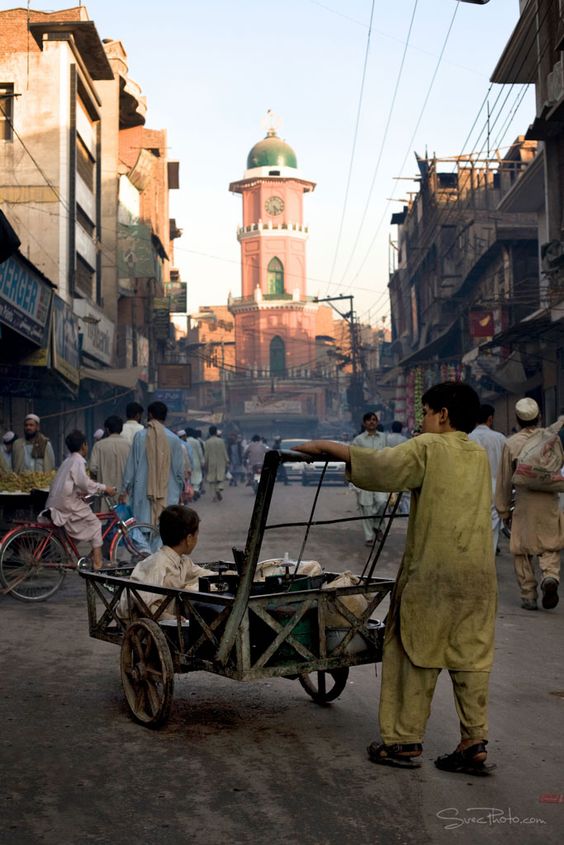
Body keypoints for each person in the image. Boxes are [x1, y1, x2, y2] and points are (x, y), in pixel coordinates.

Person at [295, 382, 497, 775]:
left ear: (442, 414)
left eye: (424, 413)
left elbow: (382, 467)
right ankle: (474, 740)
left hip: (433, 575)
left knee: (413, 650)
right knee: (470, 657)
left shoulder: (428, 447)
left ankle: (403, 741)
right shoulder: (476, 453)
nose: (421, 422)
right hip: (478, 576)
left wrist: (327, 447)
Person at [496, 397, 562, 612]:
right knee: (550, 544)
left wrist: (504, 509)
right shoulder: (552, 439)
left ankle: (528, 593)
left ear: (517, 419)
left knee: (520, 548)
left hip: (524, 502)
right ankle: (550, 576)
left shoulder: (511, 443)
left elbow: (505, 479)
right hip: (549, 500)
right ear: (539, 416)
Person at [117, 505, 215, 620]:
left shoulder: (182, 561)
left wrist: (230, 574)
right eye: (196, 535)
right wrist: (172, 619)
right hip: (144, 624)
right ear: (189, 539)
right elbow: (146, 605)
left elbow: (202, 574)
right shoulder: (158, 564)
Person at [44, 430, 116, 570]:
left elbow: (73, 483)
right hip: (66, 504)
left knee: (79, 527)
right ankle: (97, 562)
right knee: (95, 523)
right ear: (84, 445)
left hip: (57, 501)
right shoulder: (78, 461)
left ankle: (71, 554)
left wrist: (82, 492)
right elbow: (85, 483)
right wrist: (104, 488)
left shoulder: (67, 461)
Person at [122, 401, 185, 525]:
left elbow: (131, 466)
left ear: (150, 415)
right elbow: (179, 472)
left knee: (142, 528)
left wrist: (125, 488)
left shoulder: (140, 437)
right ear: (165, 417)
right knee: (165, 529)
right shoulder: (174, 439)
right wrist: (180, 491)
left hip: (142, 492)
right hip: (168, 492)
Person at [469, 404, 507, 555]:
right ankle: (488, 562)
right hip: (496, 488)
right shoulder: (501, 439)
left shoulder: (468, 438)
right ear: (490, 419)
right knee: (492, 529)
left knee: (474, 527)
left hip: (473, 487)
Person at [352, 412, 388, 546]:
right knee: (366, 507)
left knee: (382, 502)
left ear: (377, 422)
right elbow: (353, 459)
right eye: (368, 420)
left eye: (374, 420)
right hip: (364, 478)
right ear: (364, 423)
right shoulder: (358, 440)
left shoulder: (384, 438)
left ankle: (377, 525)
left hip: (381, 478)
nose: (371, 422)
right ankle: (369, 538)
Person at [89, 416, 131, 505]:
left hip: (104, 495)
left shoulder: (98, 446)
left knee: (104, 517)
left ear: (107, 429)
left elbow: (92, 468)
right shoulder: (129, 445)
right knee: (123, 518)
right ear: (121, 429)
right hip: (123, 496)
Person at [386, 421, 410, 515]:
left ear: (392, 428)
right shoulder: (405, 439)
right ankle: (401, 509)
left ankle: (391, 507)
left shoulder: (387, 438)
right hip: (401, 466)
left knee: (390, 489)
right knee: (401, 490)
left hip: (389, 466)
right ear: (401, 429)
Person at [204, 425, 229, 502]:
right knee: (220, 477)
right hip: (221, 462)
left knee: (212, 480)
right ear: (216, 432)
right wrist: (227, 460)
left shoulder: (207, 442)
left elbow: (206, 454)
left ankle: (214, 496)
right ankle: (219, 489)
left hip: (211, 462)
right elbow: (224, 452)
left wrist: (205, 463)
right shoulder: (221, 441)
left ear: (209, 432)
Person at [186, 428, 205, 499]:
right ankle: (196, 490)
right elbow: (200, 452)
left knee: (189, 478)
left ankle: (190, 492)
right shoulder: (196, 441)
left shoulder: (184, 441)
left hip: (187, 462)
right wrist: (202, 462)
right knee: (197, 477)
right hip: (196, 462)